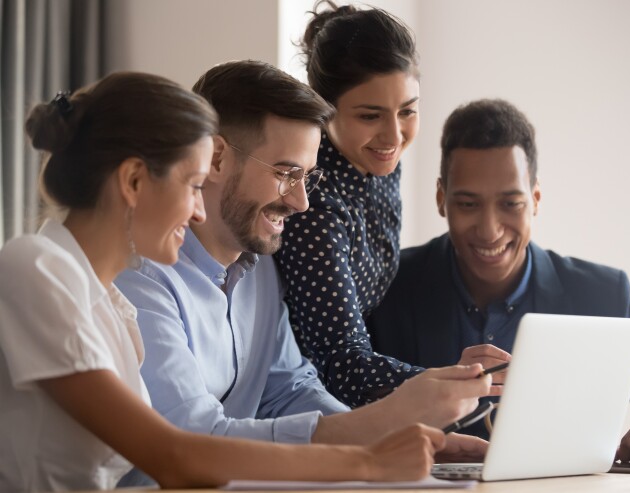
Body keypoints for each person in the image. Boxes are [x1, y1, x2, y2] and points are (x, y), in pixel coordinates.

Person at [0, 73, 447, 492]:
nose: (199, 212)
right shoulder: (36, 268)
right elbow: (176, 454)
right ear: (134, 180)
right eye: (194, 185)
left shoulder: (112, 303)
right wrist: (369, 461)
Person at [113, 60, 491, 487]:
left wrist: (388, 441)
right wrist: (381, 424)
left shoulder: (260, 270)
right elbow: (195, 440)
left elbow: (287, 390)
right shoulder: (139, 278)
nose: (301, 202)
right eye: (286, 174)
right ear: (215, 158)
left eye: (307, 177)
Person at [367, 98, 630, 465]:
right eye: (468, 204)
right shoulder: (386, 285)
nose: (489, 230)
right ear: (440, 198)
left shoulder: (602, 297)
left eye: (510, 203)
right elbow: (332, 417)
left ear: (536, 198)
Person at [273, 1, 507, 409]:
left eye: (408, 112)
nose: (393, 136)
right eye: (370, 116)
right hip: (300, 409)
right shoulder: (314, 206)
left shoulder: (376, 167)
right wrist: (453, 379)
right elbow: (342, 365)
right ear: (323, 109)